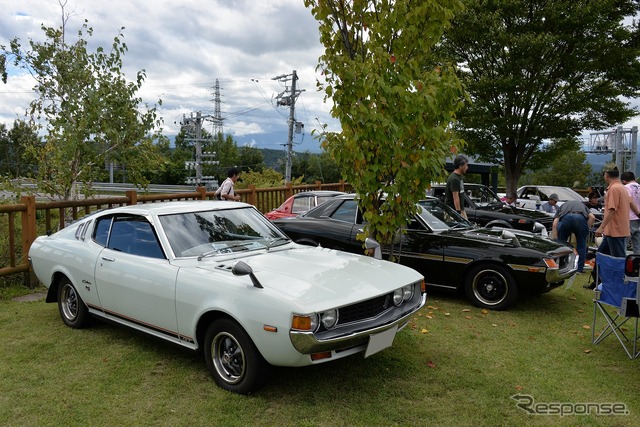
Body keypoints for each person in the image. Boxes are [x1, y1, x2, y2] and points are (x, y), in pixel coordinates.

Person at [587, 168, 640, 289]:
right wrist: (638, 214)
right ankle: (597, 282)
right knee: (600, 255)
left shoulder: (615, 189)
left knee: (619, 259)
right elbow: (631, 202)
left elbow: (611, 209)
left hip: (616, 230)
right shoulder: (622, 187)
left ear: (607, 175)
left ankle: (623, 284)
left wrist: (601, 227)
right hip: (612, 231)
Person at [552, 200, 595, 273]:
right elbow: (592, 217)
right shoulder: (583, 206)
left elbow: (554, 225)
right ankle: (579, 269)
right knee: (581, 246)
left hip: (565, 218)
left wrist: (556, 240)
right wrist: (585, 229)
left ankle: (562, 267)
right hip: (580, 218)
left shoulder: (562, 206)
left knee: (562, 245)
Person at [621, 171, 640, 254]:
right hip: (638, 219)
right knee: (637, 246)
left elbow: (629, 201)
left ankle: (624, 264)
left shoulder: (626, 187)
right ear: (634, 178)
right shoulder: (639, 187)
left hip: (629, 218)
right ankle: (637, 264)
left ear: (623, 181)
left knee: (623, 244)